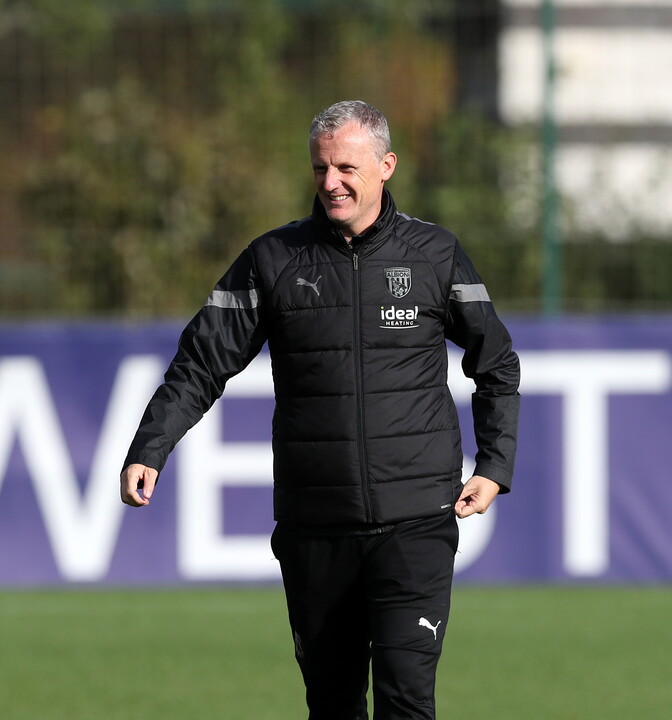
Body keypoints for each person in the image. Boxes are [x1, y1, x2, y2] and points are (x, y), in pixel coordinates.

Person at [120, 100, 520, 720]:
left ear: (386, 166)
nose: (330, 182)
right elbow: (202, 361)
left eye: (346, 168)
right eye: (319, 169)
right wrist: (151, 446)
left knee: (406, 701)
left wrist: (495, 463)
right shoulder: (272, 259)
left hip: (414, 522)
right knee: (332, 706)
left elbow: (495, 363)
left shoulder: (435, 255)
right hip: (315, 527)